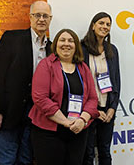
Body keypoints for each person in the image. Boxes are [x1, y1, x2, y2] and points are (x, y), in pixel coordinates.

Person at [29, 29, 98, 165]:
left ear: (76, 46)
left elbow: (92, 98)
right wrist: (66, 122)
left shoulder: (83, 67)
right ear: (55, 44)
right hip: (48, 133)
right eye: (62, 40)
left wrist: (82, 120)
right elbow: (40, 98)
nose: (66, 44)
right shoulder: (46, 65)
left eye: (71, 41)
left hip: (78, 132)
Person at [0, 1, 52, 165]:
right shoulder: (11, 38)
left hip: (37, 113)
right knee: (6, 158)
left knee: (27, 158)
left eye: (45, 16)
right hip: (9, 111)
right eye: (37, 15)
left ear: (50, 19)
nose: (41, 19)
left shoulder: (52, 48)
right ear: (30, 17)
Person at [81, 12, 120, 165]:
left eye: (108, 24)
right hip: (88, 110)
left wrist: (112, 108)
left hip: (107, 108)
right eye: (101, 23)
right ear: (93, 25)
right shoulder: (81, 48)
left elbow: (116, 81)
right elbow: (79, 82)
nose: (104, 27)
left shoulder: (112, 50)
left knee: (105, 151)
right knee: (88, 153)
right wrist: (94, 111)